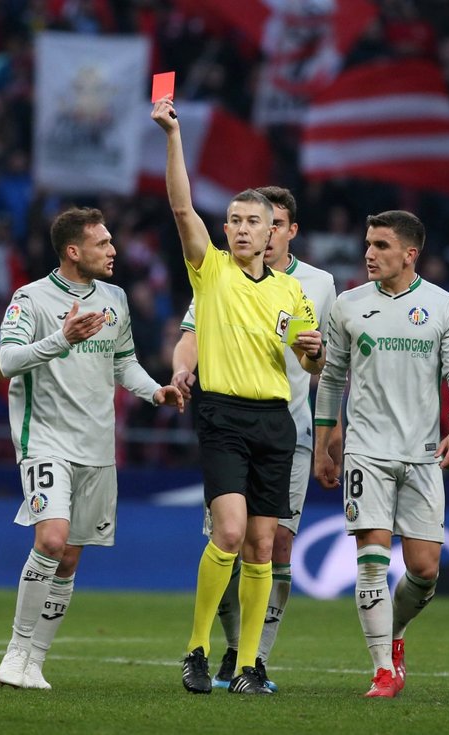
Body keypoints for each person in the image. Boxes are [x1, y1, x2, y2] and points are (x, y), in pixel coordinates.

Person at [152, 95, 324, 696]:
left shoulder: (292, 294)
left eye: (256, 221)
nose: (245, 228)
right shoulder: (212, 271)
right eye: (235, 220)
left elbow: (308, 359)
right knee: (227, 532)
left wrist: (314, 351)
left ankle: (248, 665)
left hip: (276, 420)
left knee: (262, 545)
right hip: (224, 415)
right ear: (224, 229)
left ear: (273, 231)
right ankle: (196, 649)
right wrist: (173, 136)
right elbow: (179, 205)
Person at [0, 206, 184, 691]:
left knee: (71, 558)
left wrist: (155, 390)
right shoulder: (29, 299)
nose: (114, 250)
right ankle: (15, 651)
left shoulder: (115, 299)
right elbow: (7, 361)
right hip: (46, 441)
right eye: (103, 244)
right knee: (51, 541)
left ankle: (35, 660)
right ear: (74, 251)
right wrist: (61, 338)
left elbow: (124, 363)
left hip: (97, 446)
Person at [313, 210, 449, 698]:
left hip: (423, 454)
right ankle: (383, 668)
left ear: (410, 253)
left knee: (425, 571)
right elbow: (331, 378)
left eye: (381, 245)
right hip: (367, 451)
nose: (369, 253)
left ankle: (395, 633)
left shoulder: (444, 308)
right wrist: (326, 441)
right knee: (372, 562)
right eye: (367, 243)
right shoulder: (348, 305)